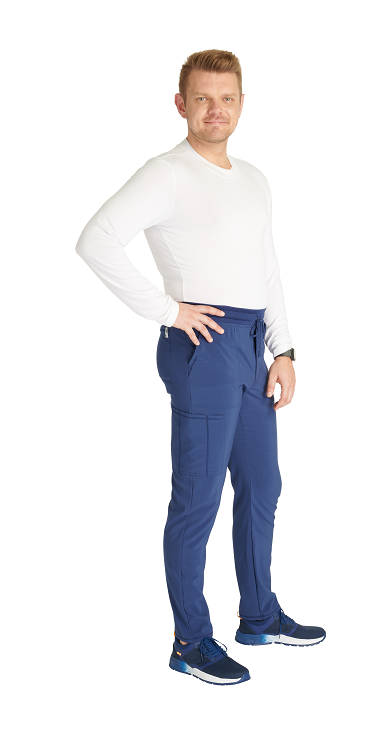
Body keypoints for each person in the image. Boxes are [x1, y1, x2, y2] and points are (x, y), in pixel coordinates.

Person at [75, 49, 325, 686]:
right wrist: (168, 310)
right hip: (202, 346)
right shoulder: (166, 173)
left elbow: (268, 266)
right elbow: (96, 239)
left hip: (251, 346)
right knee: (198, 499)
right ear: (181, 104)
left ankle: (259, 616)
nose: (216, 109)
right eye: (203, 98)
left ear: (242, 104)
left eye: (228, 98)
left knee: (263, 487)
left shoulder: (255, 179)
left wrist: (284, 349)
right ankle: (190, 640)